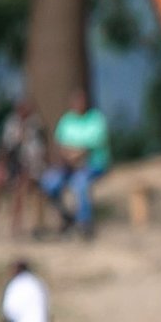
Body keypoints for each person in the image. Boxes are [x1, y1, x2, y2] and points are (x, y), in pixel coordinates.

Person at [40, 89, 108, 239]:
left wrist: (74, 155)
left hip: (92, 165)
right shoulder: (66, 121)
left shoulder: (95, 119)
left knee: (80, 183)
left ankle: (85, 224)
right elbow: (60, 146)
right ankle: (66, 217)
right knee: (49, 182)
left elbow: (89, 147)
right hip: (67, 167)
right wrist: (69, 157)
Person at [0, 98, 48, 238]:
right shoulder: (11, 124)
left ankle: (31, 227)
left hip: (33, 167)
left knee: (28, 188)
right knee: (6, 185)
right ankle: (11, 226)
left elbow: (40, 152)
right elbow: (6, 147)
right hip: (15, 166)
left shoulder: (36, 125)